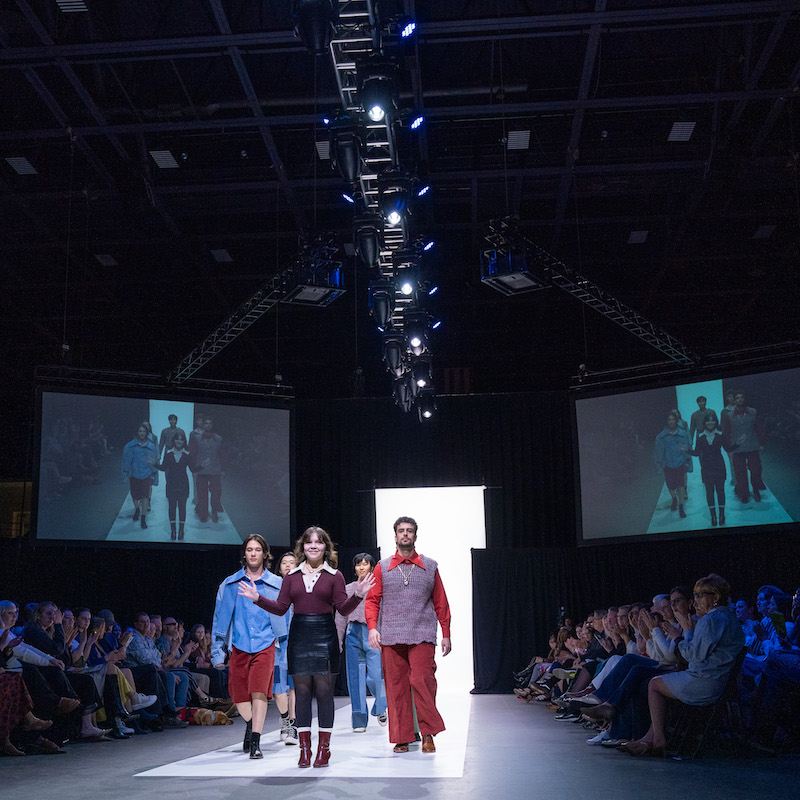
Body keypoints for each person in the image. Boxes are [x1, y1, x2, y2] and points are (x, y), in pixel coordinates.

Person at [238, 526, 372, 768]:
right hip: (299, 636)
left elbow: (342, 609)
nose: (313, 546)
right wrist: (258, 599)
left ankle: (324, 749)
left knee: (323, 694)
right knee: (301, 694)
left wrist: (359, 596)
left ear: (325, 547)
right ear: (303, 546)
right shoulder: (292, 577)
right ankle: (304, 750)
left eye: (318, 542)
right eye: (309, 542)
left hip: (324, 635)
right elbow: (280, 607)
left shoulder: (335, 576)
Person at [620, 573, 744, 756]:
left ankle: (658, 739)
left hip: (704, 682)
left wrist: (681, 637)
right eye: (695, 596)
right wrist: (685, 634)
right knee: (656, 680)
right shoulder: (730, 618)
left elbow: (694, 655)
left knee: (653, 684)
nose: (696, 601)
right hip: (716, 681)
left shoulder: (711, 620)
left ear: (716, 597)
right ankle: (649, 738)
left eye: (700, 595)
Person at [365, 516, 452, 754]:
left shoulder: (430, 566)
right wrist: (372, 627)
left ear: (415, 536)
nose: (405, 534)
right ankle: (402, 736)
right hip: (392, 636)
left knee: (422, 681)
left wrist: (446, 632)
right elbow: (372, 600)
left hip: (422, 633)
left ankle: (428, 734)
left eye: (409, 531)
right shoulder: (382, 567)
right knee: (396, 686)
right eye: (401, 531)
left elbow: (440, 601)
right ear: (395, 536)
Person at [211, 534, 286, 759]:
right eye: (249, 549)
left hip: (266, 643)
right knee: (238, 695)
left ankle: (255, 741)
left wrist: (285, 648)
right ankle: (252, 724)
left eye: (258, 549)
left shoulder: (276, 584)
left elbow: (285, 616)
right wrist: (217, 650)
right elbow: (220, 619)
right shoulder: (230, 584)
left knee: (259, 692)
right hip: (239, 645)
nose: (253, 553)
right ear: (244, 554)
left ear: (265, 553)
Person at [336, 553, 387, 732]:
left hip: (374, 634)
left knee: (375, 676)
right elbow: (341, 615)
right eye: (359, 564)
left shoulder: (379, 586)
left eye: (366, 564)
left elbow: (384, 612)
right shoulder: (349, 588)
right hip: (353, 634)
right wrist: (338, 640)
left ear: (372, 567)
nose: (362, 567)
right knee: (355, 679)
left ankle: (381, 705)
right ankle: (359, 720)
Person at [271, 552, 298, 746]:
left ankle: (293, 724)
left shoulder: (302, 587)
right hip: (276, 644)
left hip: (296, 643)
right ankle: (284, 719)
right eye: (284, 563)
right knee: (278, 688)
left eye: (292, 562)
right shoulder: (272, 587)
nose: (288, 565)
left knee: (294, 686)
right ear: (279, 567)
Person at [722, 390, 767, 503]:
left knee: (756, 470)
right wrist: (729, 450)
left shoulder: (753, 412)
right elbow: (726, 433)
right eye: (738, 398)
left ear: (744, 399)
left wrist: (761, 443)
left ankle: (756, 490)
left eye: (742, 397)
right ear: (735, 400)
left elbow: (759, 428)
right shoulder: (730, 415)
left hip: (752, 446)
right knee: (740, 472)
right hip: (737, 448)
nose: (740, 399)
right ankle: (744, 494)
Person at [688, 410, 728, 527]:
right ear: (704, 423)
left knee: (720, 491)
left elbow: (728, 448)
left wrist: (739, 444)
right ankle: (713, 516)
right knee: (709, 492)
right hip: (706, 468)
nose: (710, 423)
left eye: (713, 420)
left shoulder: (720, 434)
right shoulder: (700, 437)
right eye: (708, 421)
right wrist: (686, 450)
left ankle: (722, 515)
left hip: (719, 467)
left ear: (716, 422)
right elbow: (696, 453)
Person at [156, 431, 195, 541]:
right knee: (172, 507)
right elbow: (163, 468)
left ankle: (181, 530)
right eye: (177, 439)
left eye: (181, 439)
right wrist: (154, 464)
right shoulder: (168, 454)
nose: (179, 441)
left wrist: (202, 466)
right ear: (173, 441)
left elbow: (192, 469)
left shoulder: (187, 455)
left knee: (182, 507)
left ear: (184, 441)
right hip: (171, 484)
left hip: (183, 484)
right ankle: (173, 531)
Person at [654, 412, 691, 519]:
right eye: (669, 420)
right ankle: (674, 498)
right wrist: (658, 465)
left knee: (681, 484)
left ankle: (681, 507)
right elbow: (658, 452)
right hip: (668, 464)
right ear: (667, 421)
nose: (671, 422)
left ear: (676, 421)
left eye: (673, 420)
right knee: (670, 486)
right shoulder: (662, 436)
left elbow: (686, 448)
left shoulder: (682, 433)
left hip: (680, 463)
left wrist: (688, 461)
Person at [121, 424, 159, 529]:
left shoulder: (151, 446)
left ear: (147, 433)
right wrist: (124, 473)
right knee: (134, 495)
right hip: (134, 474)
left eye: (143, 431)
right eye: (140, 431)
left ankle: (143, 518)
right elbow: (126, 460)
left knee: (145, 496)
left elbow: (153, 461)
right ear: (137, 432)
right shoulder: (130, 446)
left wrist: (154, 472)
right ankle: (137, 509)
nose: (142, 433)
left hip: (146, 474)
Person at [190, 417, 225, 524]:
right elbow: (193, 453)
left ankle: (214, 512)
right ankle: (203, 513)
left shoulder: (219, 439)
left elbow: (223, 455)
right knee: (202, 493)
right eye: (206, 423)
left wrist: (223, 469)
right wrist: (194, 468)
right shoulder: (197, 438)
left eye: (210, 423)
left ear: (212, 425)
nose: (208, 425)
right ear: (203, 425)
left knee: (215, 493)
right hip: (202, 469)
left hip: (215, 469)